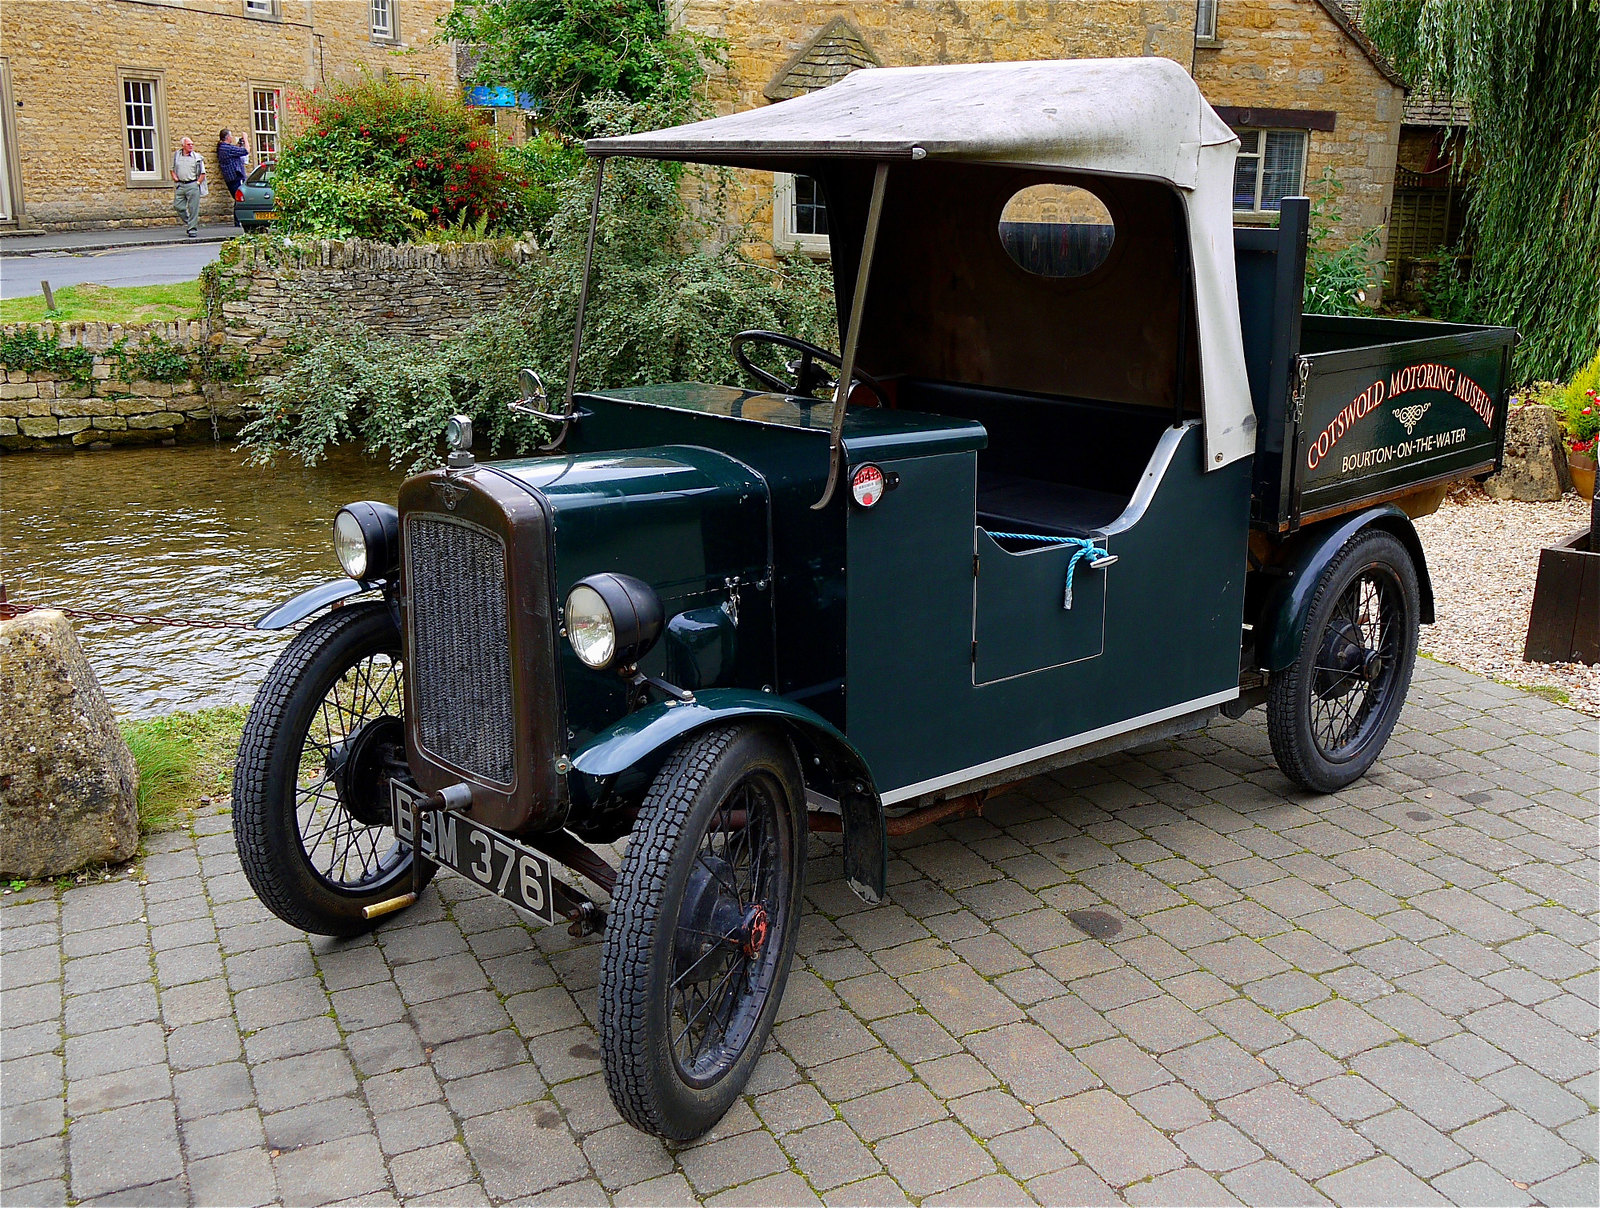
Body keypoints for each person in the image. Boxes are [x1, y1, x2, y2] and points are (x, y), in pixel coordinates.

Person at [170, 136, 207, 238]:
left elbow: (203, 173)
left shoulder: (197, 157)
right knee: (178, 206)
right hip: (181, 185)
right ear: (183, 146)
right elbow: (172, 169)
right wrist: (174, 177)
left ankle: (192, 229)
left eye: (192, 144)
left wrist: (197, 183)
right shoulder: (177, 155)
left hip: (193, 184)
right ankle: (190, 222)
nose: (191, 146)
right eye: (188, 144)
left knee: (193, 208)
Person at [216, 129, 251, 215]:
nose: (231, 138)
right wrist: (246, 139)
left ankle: (238, 220)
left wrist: (239, 144)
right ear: (228, 137)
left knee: (238, 198)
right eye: (231, 136)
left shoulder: (224, 147)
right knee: (240, 198)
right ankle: (238, 220)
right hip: (235, 177)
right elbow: (246, 151)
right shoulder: (226, 148)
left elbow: (234, 151)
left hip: (232, 177)